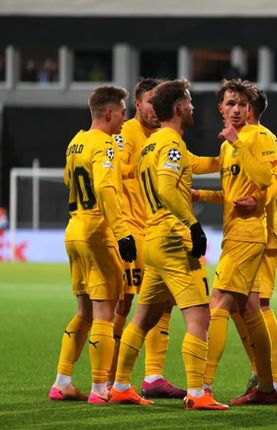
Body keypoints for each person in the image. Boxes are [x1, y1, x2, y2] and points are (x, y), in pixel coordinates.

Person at [109, 79, 227, 410]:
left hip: (153, 241)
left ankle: (120, 386)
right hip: (175, 239)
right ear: (178, 108)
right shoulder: (171, 144)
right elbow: (166, 186)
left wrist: (230, 152)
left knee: (143, 318)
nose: (192, 107)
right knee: (200, 317)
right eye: (189, 102)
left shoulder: (152, 145)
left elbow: (197, 163)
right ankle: (198, 393)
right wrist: (192, 224)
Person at [197, 87, 277, 397]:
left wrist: (238, 143)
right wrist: (200, 195)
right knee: (250, 309)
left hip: (248, 234)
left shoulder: (258, 137)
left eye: (242, 104)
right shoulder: (227, 145)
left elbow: (266, 179)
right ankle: (267, 385)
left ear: (250, 108)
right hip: (234, 232)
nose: (236, 109)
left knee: (219, 303)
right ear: (221, 108)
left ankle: (203, 386)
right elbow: (231, 195)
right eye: (231, 103)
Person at [50, 85, 137, 404]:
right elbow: (104, 187)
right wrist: (122, 232)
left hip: (74, 229)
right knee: (105, 313)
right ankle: (100, 389)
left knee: (84, 312)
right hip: (98, 233)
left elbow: (67, 180)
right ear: (110, 113)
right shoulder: (105, 144)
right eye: (123, 113)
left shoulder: (76, 142)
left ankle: (62, 381)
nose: (125, 119)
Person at [107, 78, 185, 399]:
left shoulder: (162, 136)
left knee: (162, 304)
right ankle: (109, 378)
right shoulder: (127, 133)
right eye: (150, 101)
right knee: (124, 305)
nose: (155, 108)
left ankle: (153, 376)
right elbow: (115, 170)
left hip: (154, 230)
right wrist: (145, 163)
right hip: (132, 230)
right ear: (138, 105)